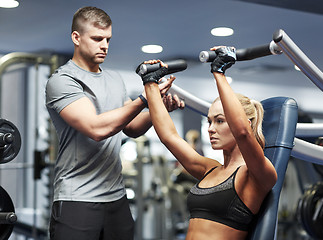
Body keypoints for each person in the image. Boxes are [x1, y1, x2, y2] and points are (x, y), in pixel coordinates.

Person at [45, 6, 184, 240]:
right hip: (77, 198)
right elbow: (97, 129)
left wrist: (157, 108)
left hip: (116, 199)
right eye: (97, 39)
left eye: (108, 39)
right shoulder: (62, 81)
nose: (105, 45)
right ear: (76, 38)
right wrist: (144, 99)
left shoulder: (114, 79)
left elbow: (132, 128)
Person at [140, 46, 277, 239]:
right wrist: (151, 84)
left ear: (245, 123)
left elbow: (243, 134)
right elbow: (168, 137)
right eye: (209, 121)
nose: (211, 128)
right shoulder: (210, 170)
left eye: (220, 121)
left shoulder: (257, 174)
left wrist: (219, 72)